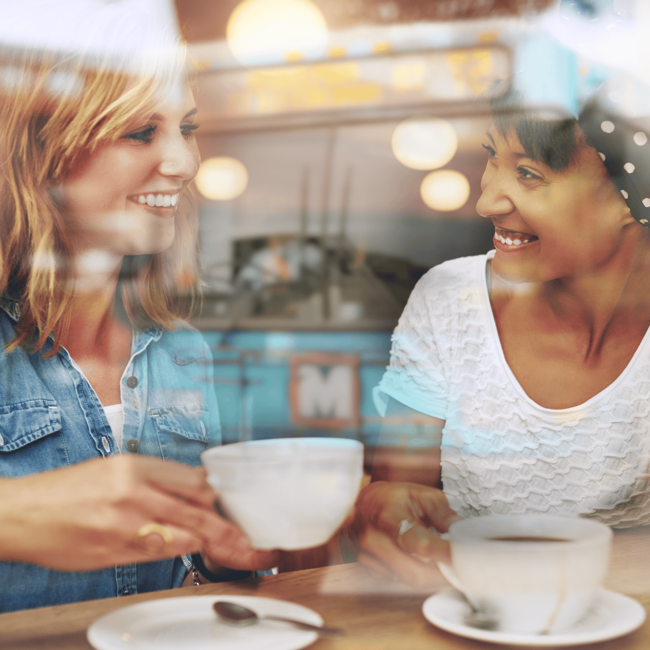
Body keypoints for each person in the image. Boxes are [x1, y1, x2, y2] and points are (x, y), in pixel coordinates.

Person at [0, 32, 276, 612]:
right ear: (38, 153)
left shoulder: (183, 351)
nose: (184, 163)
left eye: (188, 129)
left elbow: (195, 572)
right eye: (141, 132)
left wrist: (231, 549)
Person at [350, 84, 650, 586]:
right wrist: (382, 516)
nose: (486, 200)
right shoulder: (448, 299)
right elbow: (399, 492)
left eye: (529, 173)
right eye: (493, 155)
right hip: (472, 615)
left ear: (629, 196)